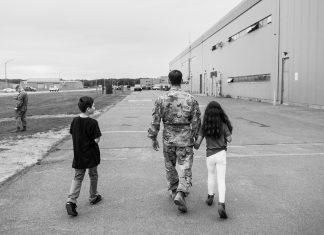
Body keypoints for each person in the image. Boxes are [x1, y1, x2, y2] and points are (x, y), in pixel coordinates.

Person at [148, 70, 201, 213]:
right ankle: (181, 192)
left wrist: (153, 137)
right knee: (185, 166)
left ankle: (173, 190)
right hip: (185, 138)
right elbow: (196, 121)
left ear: (169, 81)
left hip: (168, 138)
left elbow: (155, 120)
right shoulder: (190, 99)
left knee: (170, 165)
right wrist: (196, 137)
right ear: (181, 80)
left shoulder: (161, 99)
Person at [194, 101, 232, 219]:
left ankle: (210, 197)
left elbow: (197, 144)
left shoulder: (205, 126)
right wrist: (226, 135)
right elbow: (229, 139)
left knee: (211, 175)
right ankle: (221, 204)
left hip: (210, 155)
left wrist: (192, 139)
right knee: (221, 180)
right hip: (221, 154)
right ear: (219, 112)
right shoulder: (223, 125)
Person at [66, 96, 102, 217]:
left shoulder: (75, 120)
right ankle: (93, 196)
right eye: (93, 106)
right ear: (88, 109)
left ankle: (71, 200)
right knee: (93, 175)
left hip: (79, 154)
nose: (95, 107)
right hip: (91, 155)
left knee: (78, 177)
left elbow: (72, 133)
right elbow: (96, 139)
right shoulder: (93, 122)